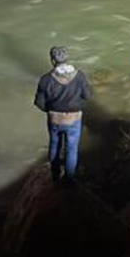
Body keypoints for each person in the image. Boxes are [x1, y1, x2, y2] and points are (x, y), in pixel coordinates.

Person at [33, 46, 92, 184]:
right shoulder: (80, 76)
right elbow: (88, 96)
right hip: (74, 118)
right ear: (67, 58)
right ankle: (69, 179)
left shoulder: (45, 79)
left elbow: (39, 103)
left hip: (55, 119)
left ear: (53, 60)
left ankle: (55, 176)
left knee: (54, 146)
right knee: (72, 149)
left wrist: (51, 110)